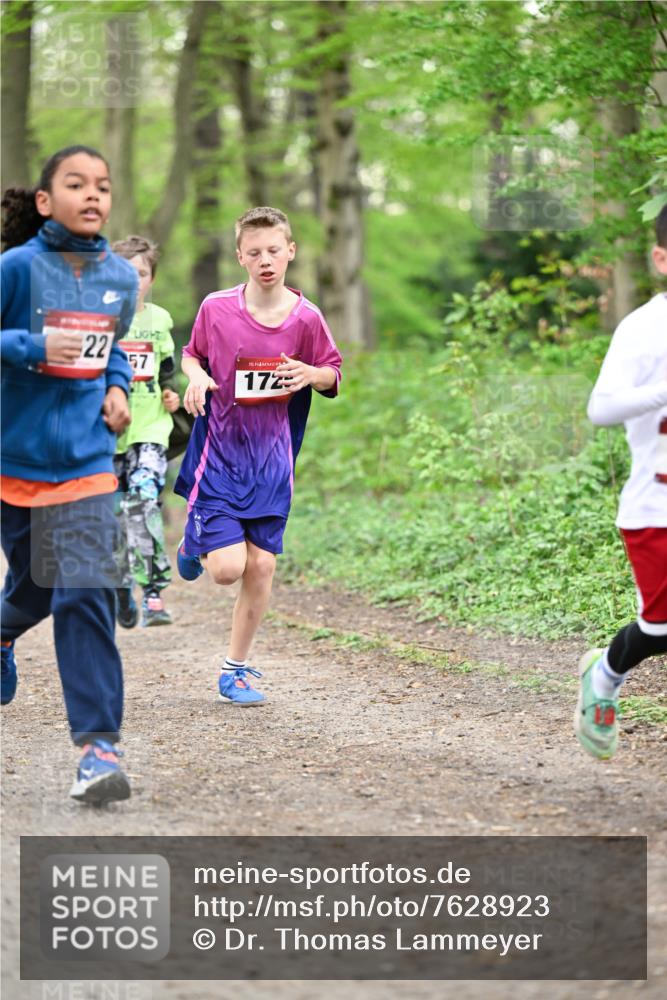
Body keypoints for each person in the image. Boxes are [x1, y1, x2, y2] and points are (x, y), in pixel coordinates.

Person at [1, 145, 137, 803]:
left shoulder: (120, 278)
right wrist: (30, 348)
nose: (93, 195)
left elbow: (114, 351)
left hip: (85, 463)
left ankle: (98, 750)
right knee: (32, 590)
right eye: (76, 184)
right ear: (47, 201)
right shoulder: (16, 270)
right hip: (11, 463)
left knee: (83, 588)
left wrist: (117, 386)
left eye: (103, 186)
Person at [174, 206, 342, 705]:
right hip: (220, 454)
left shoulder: (307, 318)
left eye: (274, 250)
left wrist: (310, 374)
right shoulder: (216, 308)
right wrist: (197, 377)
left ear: (290, 251)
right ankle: (193, 541)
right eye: (255, 252)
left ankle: (235, 670)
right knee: (226, 569)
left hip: (273, 463)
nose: (265, 260)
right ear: (240, 257)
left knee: (262, 567)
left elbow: (333, 371)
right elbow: (192, 353)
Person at [575, 204, 667, 759]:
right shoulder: (644, 327)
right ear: (661, 259)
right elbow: (600, 408)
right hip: (656, 505)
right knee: (661, 630)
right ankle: (605, 675)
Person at [111, 235, 180, 629]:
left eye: (141, 273)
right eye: (125, 272)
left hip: (151, 426)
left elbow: (166, 366)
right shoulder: (101, 318)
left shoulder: (160, 320)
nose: (133, 280)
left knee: (143, 500)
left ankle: (153, 593)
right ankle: (120, 585)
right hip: (108, 432)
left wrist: (171, 394)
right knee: (114, 516)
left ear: (151, 278)